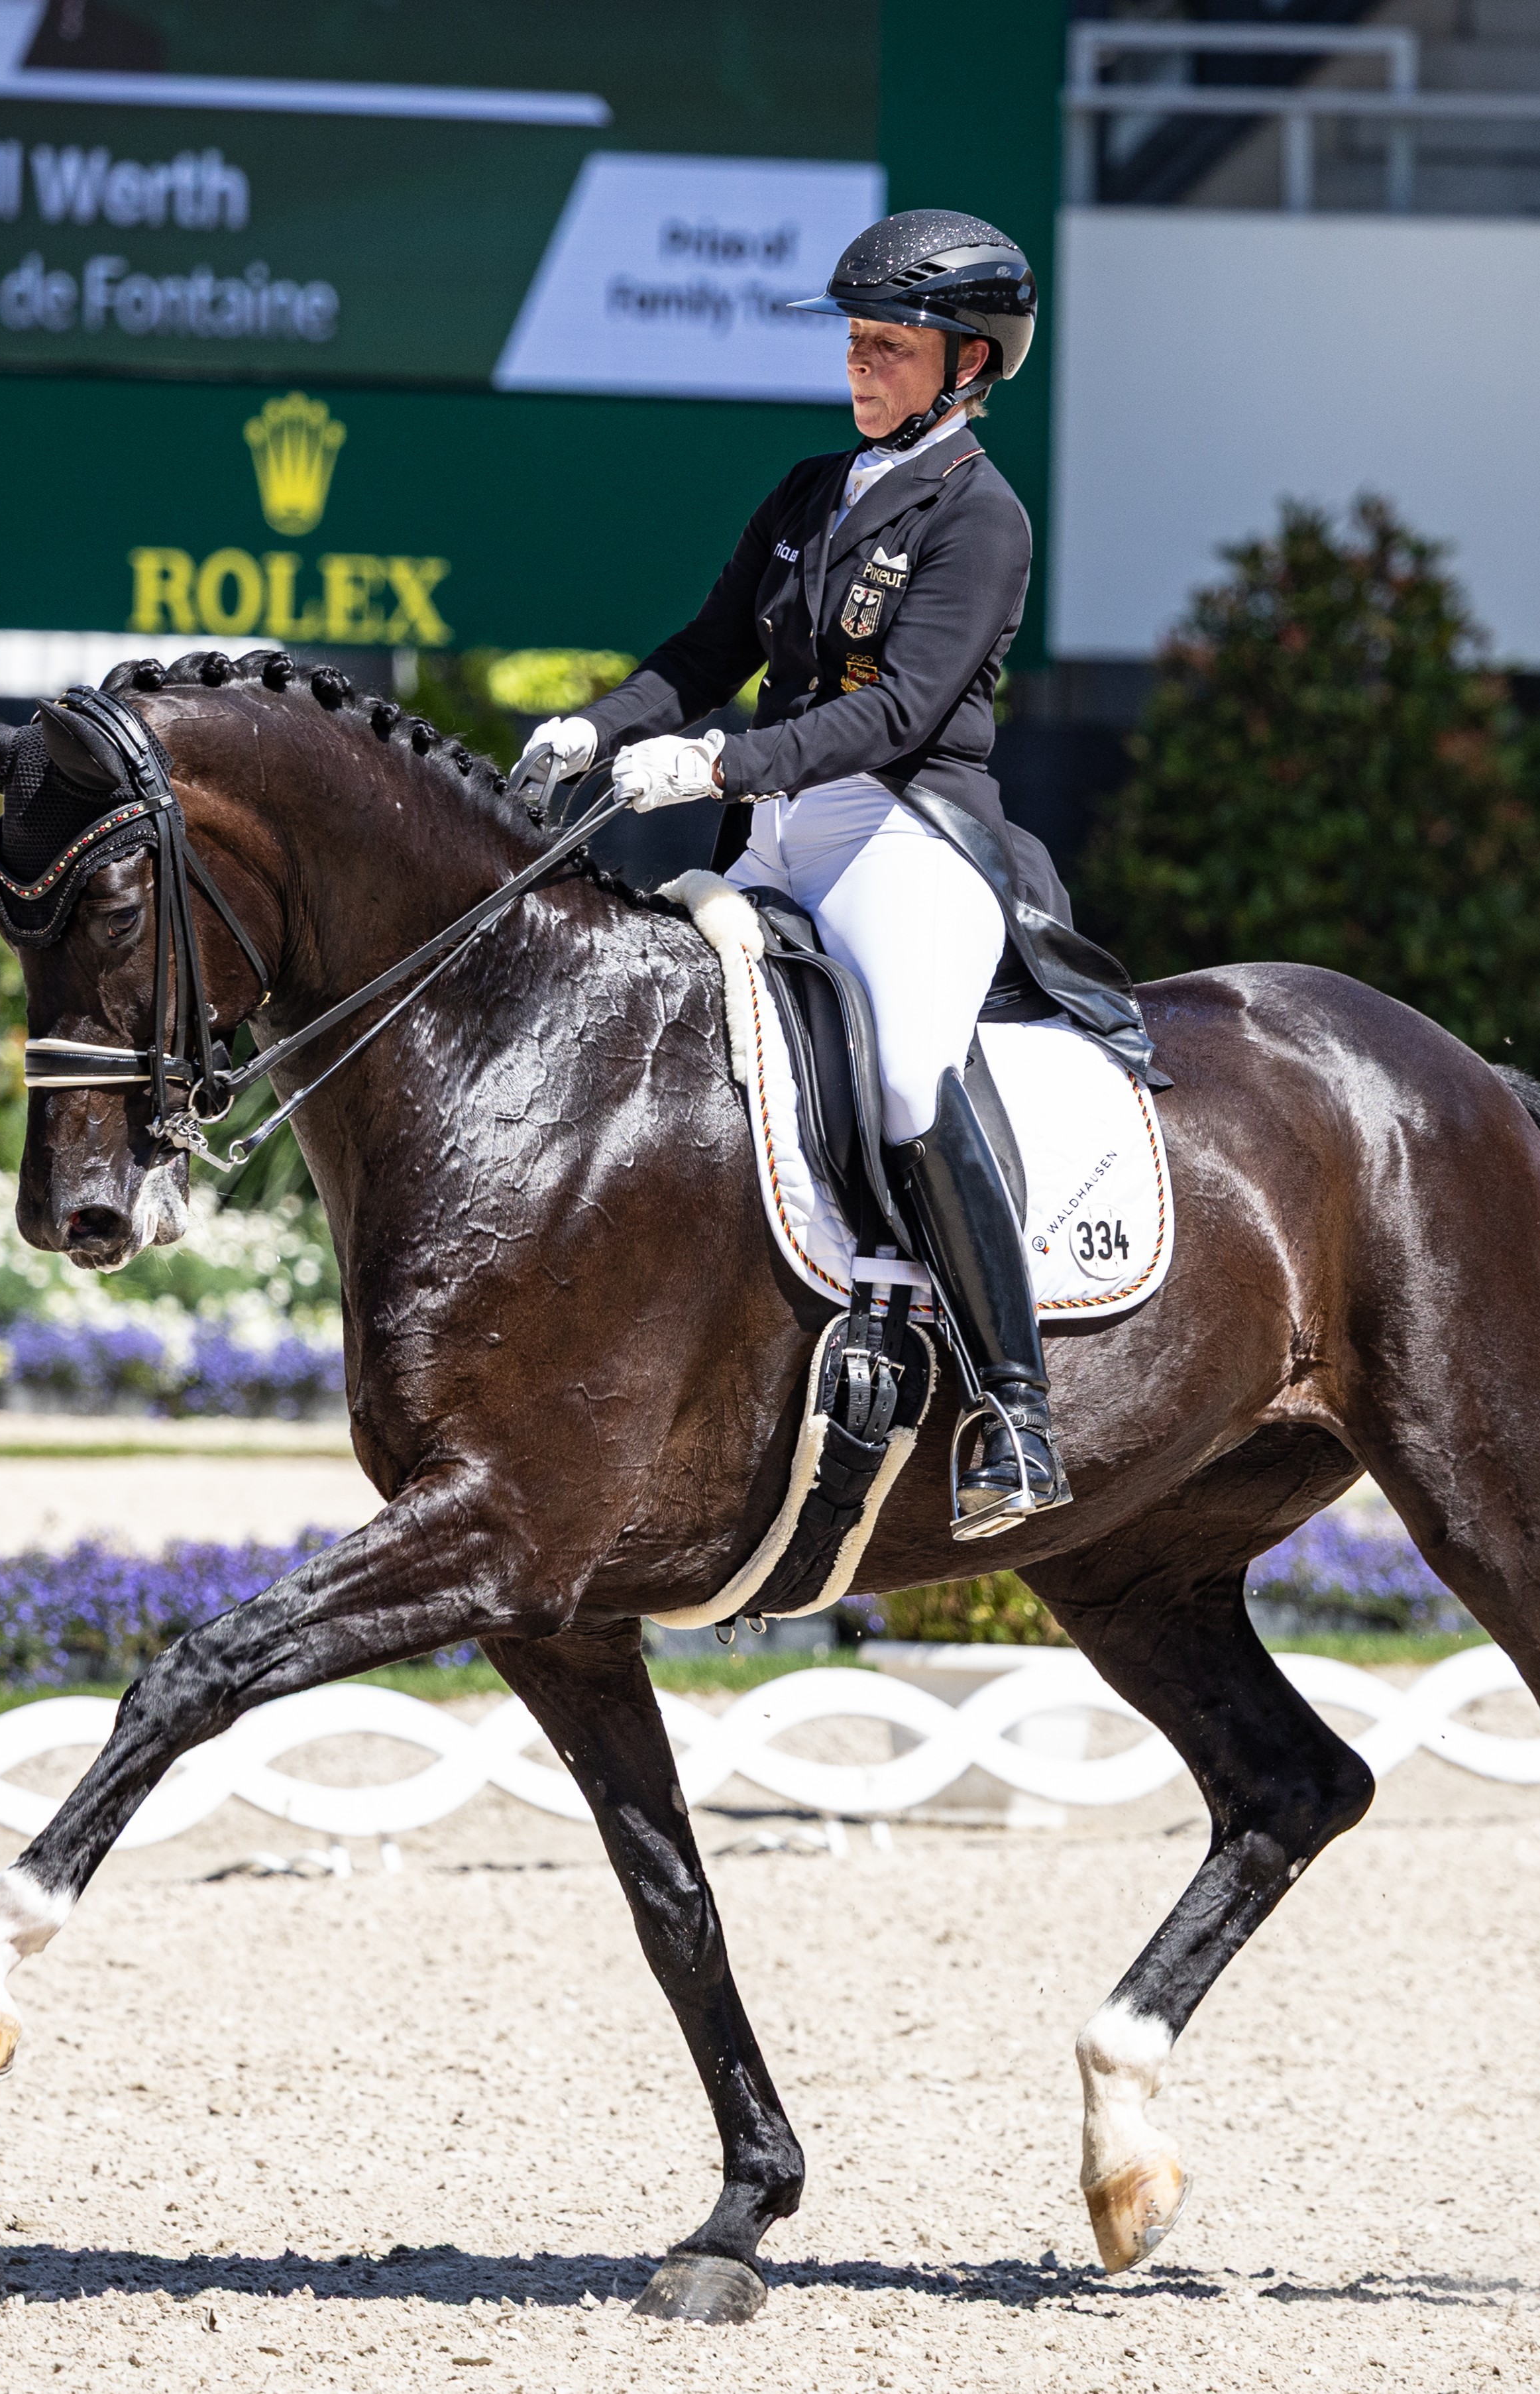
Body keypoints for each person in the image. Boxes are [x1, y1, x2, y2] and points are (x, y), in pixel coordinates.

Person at [512, 211, 1161, 1541]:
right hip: (774, 833)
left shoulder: (983, 518)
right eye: (855, 342)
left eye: (885, 345)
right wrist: (602, 726)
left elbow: (902, 710)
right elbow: (701, 651)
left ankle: (1013, 1409)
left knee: (909, 1072)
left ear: (970, 363)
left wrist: (720, 768)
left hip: (901, 835)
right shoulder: (812, 492)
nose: (857, 365)